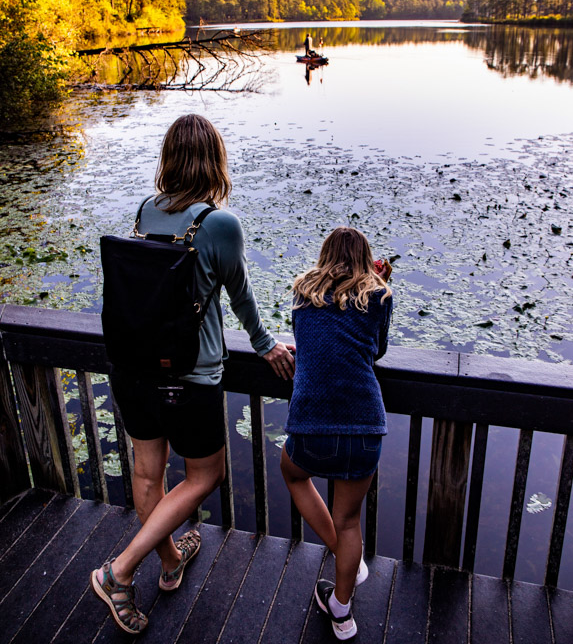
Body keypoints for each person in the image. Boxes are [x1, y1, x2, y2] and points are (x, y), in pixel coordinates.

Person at [90, 114, 295, 634]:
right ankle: (119, 572)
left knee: (146, 474)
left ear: (169, 159)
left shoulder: (143, 211)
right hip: (189, 378)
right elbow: (241, 294)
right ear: (214, 161)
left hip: (133, 369)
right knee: (206, 476)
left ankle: (169, 562)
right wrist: (266, 345)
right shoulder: (219, 224)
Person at [280, 227, 392, 640]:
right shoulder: (379, 295)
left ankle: (339, 552)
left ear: (324, 255)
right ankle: (342, 614)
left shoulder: (302, 291)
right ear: (366, 258)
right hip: (364, 426)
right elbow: (377, 349)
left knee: (292, 472)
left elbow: (307, 341)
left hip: (310, 424)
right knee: (350, 522)